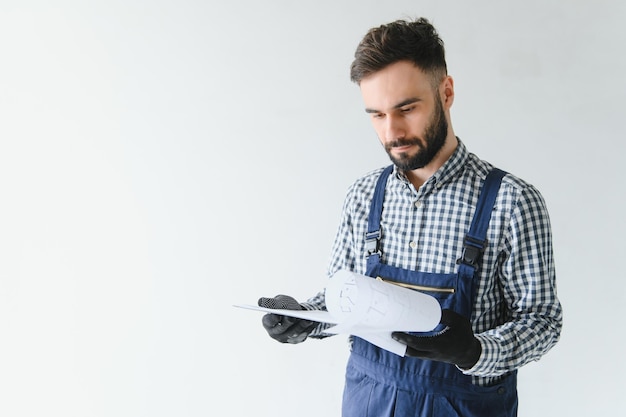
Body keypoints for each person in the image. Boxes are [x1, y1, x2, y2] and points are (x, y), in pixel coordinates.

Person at [258, 17, 562, 417]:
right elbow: (345, 300)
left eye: (406, 108)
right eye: (377, 115)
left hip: (463, 405)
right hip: (368, 398)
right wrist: (302, 317)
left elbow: (542, 322)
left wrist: (475, 351)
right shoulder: (364, 195)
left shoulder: (512, 201)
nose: (393, 132)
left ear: (447, 92)